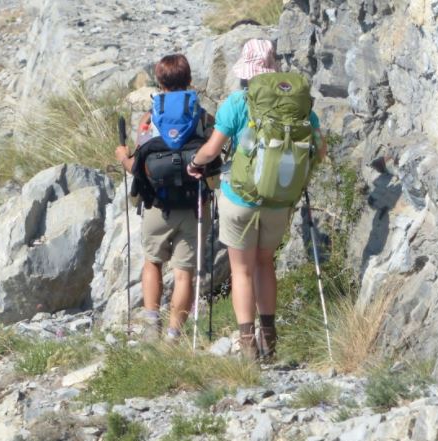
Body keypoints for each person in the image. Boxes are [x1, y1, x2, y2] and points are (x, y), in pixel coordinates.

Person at [187, 39, 327, 360]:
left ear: (246, 72)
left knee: (242, 271)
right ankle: (270, 338)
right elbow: (320, 149)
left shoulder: (236, 103)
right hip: (279, 198)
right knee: (266, 263)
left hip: (240, 198)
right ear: (273, 69)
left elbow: (211, 150)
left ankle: (248, 344)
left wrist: (195, 164)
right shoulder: (299, 104)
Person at [116, 54, 210, 343]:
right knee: (184, 273)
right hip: (194, 205)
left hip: (157, 204)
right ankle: (173, 336)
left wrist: (122, 157)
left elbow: (138, 166)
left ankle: (151, 326)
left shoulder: (149, 119)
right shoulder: (204, 116)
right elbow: (216, 158)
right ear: (189, 81)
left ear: (159, 82)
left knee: (152, 262)